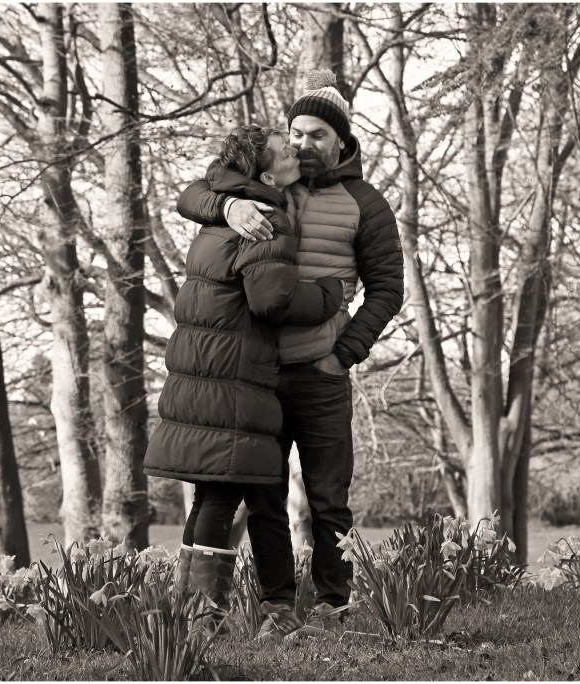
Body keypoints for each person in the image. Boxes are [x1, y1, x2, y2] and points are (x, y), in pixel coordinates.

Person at [176, 70, 404, 640]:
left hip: (321, 375)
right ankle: (278, 608)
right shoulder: (268, 185)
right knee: (265, 499)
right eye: (296, 133)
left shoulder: (366, 204)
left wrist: (343, 354)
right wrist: (229, 208)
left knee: (329, 500)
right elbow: (193, 193)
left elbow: (387, 290)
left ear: (342, 141)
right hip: (256, 376)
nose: (303, 144)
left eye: (317, 135)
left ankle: (332, 607)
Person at [143, 124, 345, 625]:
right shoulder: (265, 218)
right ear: (266, 175)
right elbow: (271, 298)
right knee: (222, 494)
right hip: (233, 377)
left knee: (210, 494)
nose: (294, 151)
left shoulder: (224, 210)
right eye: (284, 150)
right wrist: (329, 294)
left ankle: (186, 616)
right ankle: (203, 620)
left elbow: (198, 192)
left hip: (198, 372)